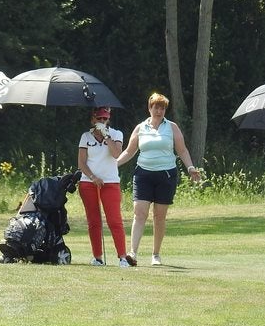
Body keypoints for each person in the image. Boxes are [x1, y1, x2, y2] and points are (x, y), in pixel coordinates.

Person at [116, 92, 201, 266]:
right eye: (156, 107)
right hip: (143, 175)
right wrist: (114, 165)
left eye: (162, 108)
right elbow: (129, 151)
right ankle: (133, 253)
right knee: (139, 213)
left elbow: (182, 150)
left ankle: (155, 254)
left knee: (159, 216)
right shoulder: (140, 128)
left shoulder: (172, 127)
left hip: (166, 175)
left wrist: (191, 167)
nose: (159, 111)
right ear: (150, 108)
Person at [77, 106, 129, 267]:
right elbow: (81, 163)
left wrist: (106, 136)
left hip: (110, 182)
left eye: (104, 119)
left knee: (114, 220)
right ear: (93, 119)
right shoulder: (85, 137)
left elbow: (116, 154)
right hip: (88, 183)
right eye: (99, 119)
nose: (101, 121)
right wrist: (93, 177)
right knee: (94, 222)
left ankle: (122, 257)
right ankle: (97, 257)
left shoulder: (116, 134)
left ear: (108, 120)